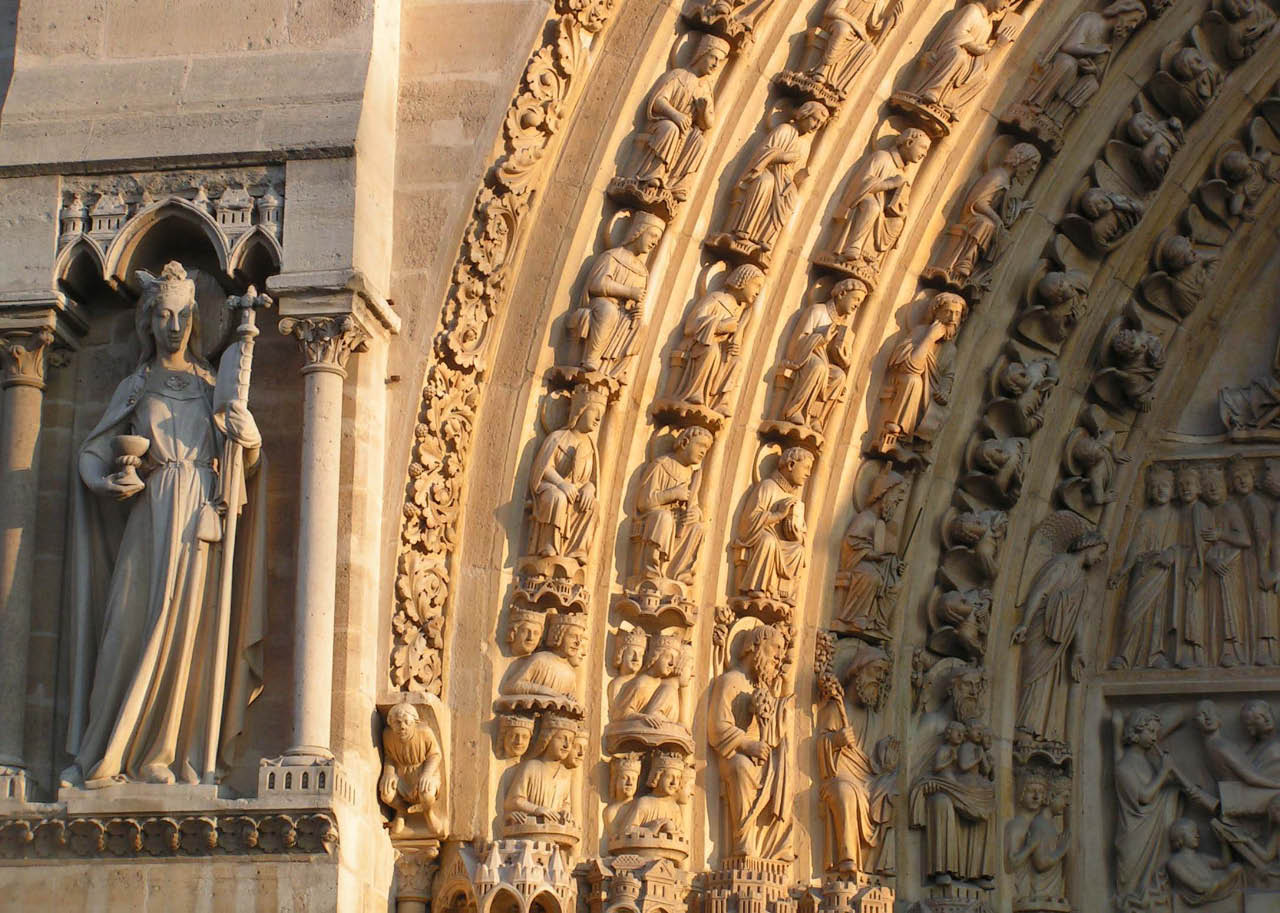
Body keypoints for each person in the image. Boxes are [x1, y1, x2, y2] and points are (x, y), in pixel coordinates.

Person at [62, 262, 265, 789]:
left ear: (195, 320)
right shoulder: (137, 385)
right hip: (150, 511)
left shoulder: (210, 384)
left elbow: (239, 460)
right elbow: (95, 448)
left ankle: (165, 754)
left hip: (199, 514)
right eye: (164, 316)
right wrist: (106, 480)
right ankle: (108, 750)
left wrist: (249, 437)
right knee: (126, 627)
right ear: (148, 322)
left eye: (183, 316)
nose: (174, 327)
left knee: (187, 637)